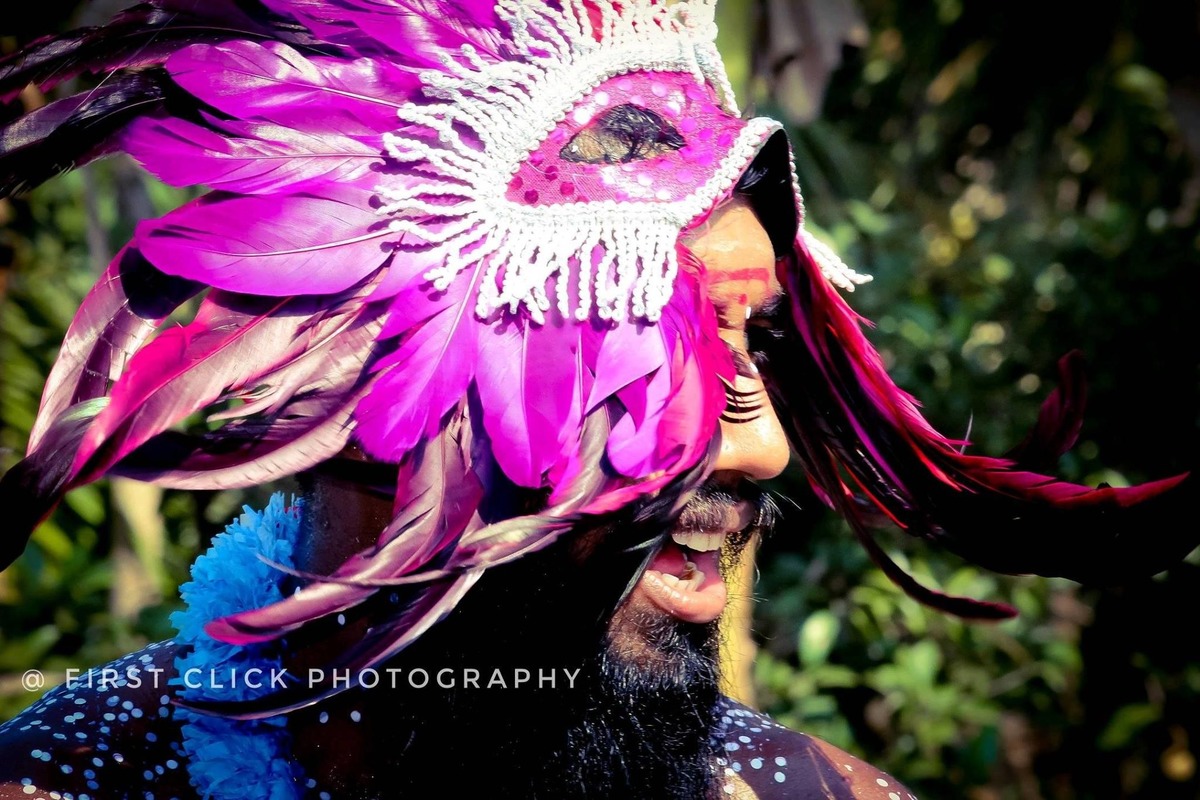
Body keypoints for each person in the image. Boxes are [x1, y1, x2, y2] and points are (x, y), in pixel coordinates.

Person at [0, 1, 1190, 797]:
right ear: (400, 390)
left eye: (758, 341)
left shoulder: (812, 794)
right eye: (661, 344)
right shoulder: (74, 774)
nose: (762, 447)